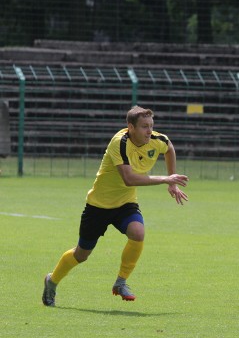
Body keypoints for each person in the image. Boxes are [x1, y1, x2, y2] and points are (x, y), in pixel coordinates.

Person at [42, 106, 189, 307]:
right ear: (131, 127)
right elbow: (129, 178)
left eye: (151, 126)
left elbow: (169, 148)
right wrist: (166, 178)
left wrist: (172, 182)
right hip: (98, 206)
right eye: (145, 127)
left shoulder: (157, 140)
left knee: (138, 233)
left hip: (125, 204)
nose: (149, 131)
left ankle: (121, 282)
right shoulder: (119, 143)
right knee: (81, 254)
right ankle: (52, 280)